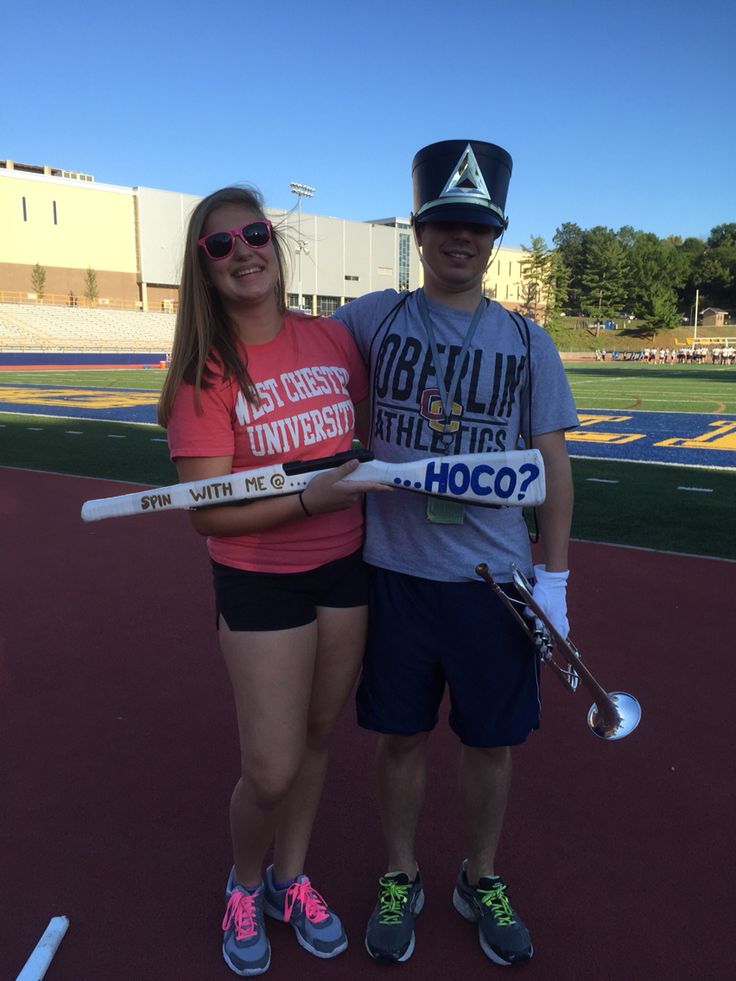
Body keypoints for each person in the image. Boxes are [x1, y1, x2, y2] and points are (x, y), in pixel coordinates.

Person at [333, 140, 579, 966]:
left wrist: (556, 579)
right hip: (397, 574)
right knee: (398, 736)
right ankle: (402, 872)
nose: (460, 238)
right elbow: (290, 357)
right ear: (419, 229)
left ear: (495, 236)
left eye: (476, 226)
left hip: (495, 580)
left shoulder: (526, 341)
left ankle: (480, 874)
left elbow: (553, 466)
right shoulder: (372, 319)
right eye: (445, 223)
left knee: (490, 740)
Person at [157, 185, 385, 976]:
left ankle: (292, 877)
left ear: (275, 244)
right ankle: (245, 882)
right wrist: (304, 499)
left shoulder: (332, 339)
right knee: (272, 767)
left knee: (320, 738)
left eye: (253, 233)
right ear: (204, 269)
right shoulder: (205, 371)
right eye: (219, 245)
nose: (242, 251)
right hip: (261, 583)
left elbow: (361, 434)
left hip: (346, 568)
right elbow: (205, 515)